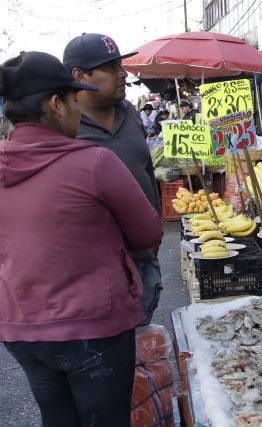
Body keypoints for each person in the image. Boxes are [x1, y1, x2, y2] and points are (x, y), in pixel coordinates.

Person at [0, 51, 163, 426]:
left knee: (56, 418)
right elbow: (148, 232)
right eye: (75, 100)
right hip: (93, 328)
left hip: (21, 328)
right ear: (57, 104)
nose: (79, 109)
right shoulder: (93, 162)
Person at [63, 33, 163, 325]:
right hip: (93, 273)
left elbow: (145, 170)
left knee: (143, 353)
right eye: (110, 68)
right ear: (79, 76)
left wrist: (154, 227)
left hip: (143, 257)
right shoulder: (64, 125)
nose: (123, 74)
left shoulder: (129, 113)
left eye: (121, 65)